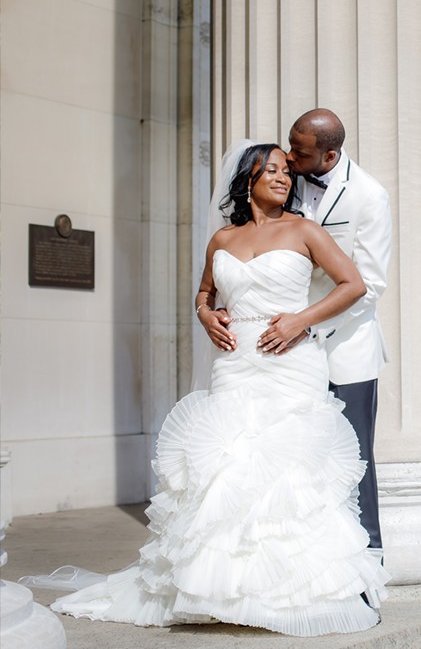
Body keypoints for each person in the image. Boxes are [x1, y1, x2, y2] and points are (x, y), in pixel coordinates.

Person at [25, 143, 389, 637]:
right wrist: (205, 315)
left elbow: (353, 284)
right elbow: (204, 293)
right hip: (235, 362)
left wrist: (301, 321)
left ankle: (293, 590)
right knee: (228, 463)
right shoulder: (221, 239)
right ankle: (219, 586)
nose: (284, 178)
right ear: (248, 180)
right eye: (273, 171)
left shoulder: (306, 230)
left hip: (290, 360)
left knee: (288, 467)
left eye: (287, 172)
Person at [286, 109, 392, 560]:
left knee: (353, 460)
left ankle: (369, 561)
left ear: (330, 154)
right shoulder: (285, 179)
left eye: (300, 151)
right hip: (286, 350)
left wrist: (308, 325)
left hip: (345, 349)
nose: (289, 157)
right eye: (290, 144)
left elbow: (370, 286)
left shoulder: (370, 197)